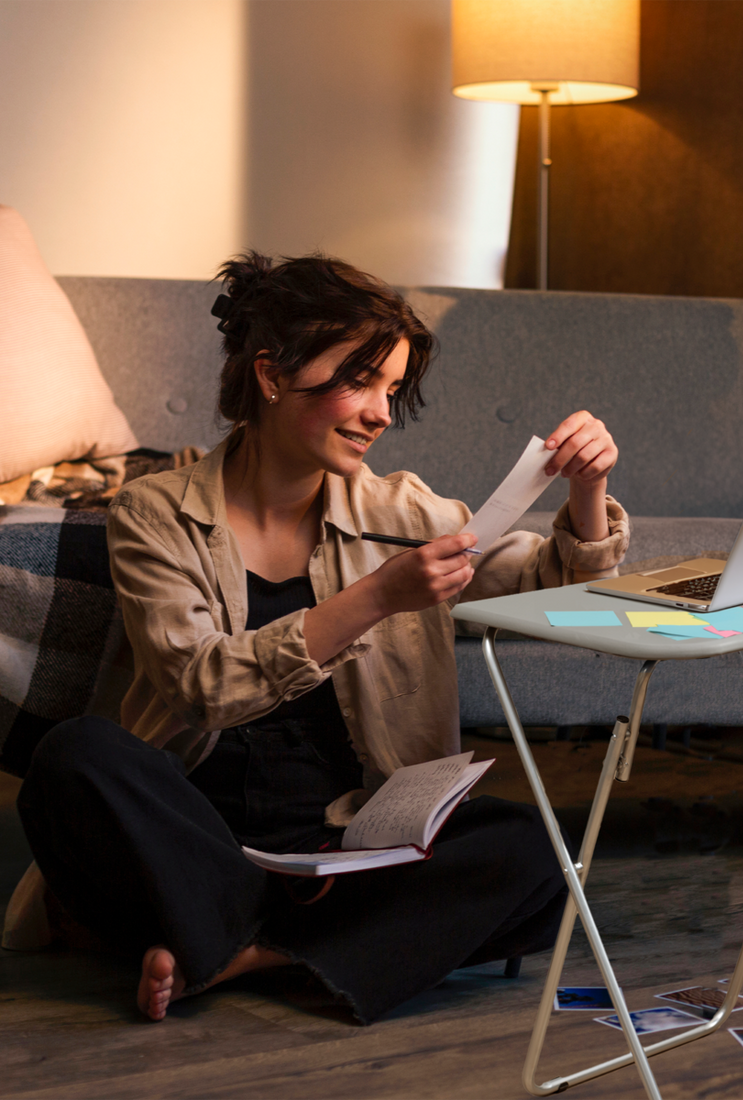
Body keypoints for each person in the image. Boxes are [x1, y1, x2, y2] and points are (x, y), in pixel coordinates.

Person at [16, 252, 629, 1024]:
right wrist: (377, 596)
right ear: (272, 375)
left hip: (346, 835)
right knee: (73, 759)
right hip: (193, 835)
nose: (380, 412)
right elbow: (201, 688)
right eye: (360, 381)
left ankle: (237, 950)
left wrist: (588, 487)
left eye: (393, 390)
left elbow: (552, 574)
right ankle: (282, 930)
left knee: (531, 853)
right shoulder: (155, 513)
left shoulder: (404, 511)